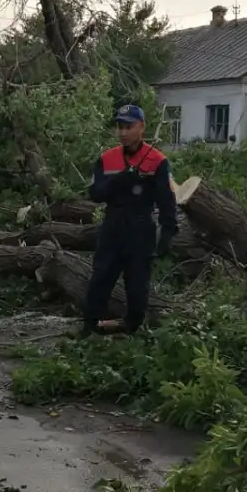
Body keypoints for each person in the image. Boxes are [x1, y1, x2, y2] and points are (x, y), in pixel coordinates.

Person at [81, 103, 179, 336]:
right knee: (101, 278)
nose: (123, 133)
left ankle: (133, 327)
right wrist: (119, 181)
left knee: (137, 285)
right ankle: (88, 327)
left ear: (141, 127)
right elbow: (95, 194)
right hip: (113, 226)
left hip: (141, 228)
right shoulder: (107, 159)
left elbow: (167, 199)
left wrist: (168, 231)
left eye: (128, 127)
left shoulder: (157, 161)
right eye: (119, 127)